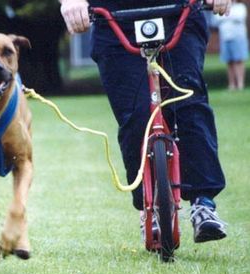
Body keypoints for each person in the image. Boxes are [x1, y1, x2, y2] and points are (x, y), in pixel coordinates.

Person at [60, 0, 230, 244]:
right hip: (113, 17)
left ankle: (203, 203)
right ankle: (148, 208)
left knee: (188, 103)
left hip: (179, 11)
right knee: (136, 116)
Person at [215, 0, 248, 90]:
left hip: (238, 37)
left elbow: (239, 17)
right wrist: (228, 16)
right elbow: (217, 18)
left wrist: (226, 16)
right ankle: (232, 84)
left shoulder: (240, 7)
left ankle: (240, 83)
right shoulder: (222, 5)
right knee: (229, 62)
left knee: (238, 61)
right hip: (225, 37)